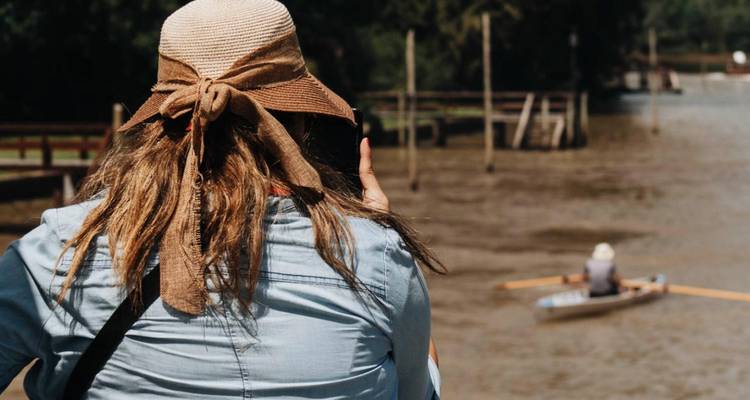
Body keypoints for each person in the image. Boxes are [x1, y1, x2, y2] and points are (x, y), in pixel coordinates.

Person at [0, 1, 445, 398]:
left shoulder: (59, 252)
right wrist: (382, 238)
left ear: (159, 122)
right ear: (303, 122)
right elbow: (417, 391)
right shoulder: (373, 256)